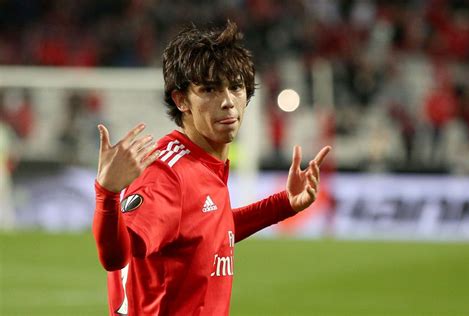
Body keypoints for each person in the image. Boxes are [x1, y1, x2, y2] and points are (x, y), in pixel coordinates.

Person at [93, 21, 331, 316]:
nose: (228, 102)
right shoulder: (168, 176)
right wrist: (107, 195)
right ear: (181, 100)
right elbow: (118, 255)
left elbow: (206, 231)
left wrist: (282, 204)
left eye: (235, 88)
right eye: (209, 90)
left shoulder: (201, 164)